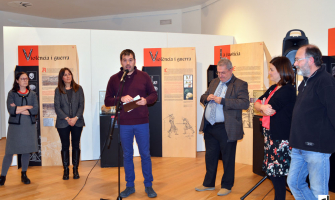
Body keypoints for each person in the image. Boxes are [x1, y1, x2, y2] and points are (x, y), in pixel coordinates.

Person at [105, 49, 158, 198]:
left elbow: (154, 95)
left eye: (130, 60)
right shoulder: (115, 79)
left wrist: (145, 100)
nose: (128, 63)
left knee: (145, 154)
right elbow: (107, 100)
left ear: (135, 61)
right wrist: (120, 98)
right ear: (121, 62)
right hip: (124, 124)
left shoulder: (144, 76)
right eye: (125, 60)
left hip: (142, 122)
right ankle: (130, 186)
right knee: (127, 155)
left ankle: (148, 185)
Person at [195, 58, 249, 196]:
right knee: (210, 156)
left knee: (228, 158)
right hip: (210, 126)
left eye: (223, 72)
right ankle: (208, 184)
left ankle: (226, 185)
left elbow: (244, 103)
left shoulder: (240, 84)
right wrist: (206, 98)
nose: (220, 75)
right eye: (218, 72)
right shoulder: (214, 82)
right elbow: (203, 96)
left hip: (226, 128)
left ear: (231, 70)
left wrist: (222, 101)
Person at [287, 45, 335, 199]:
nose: (295, 64)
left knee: (320, 191)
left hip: (317, 148)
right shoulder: (305, 82)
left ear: (311, 60)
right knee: (294, 182)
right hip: (299, 146)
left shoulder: (325, 81)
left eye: (298, 60)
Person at [254, 56, 296, 200]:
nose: (269, 73)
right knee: (273, 173)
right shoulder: (273, 88)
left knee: (277, 174)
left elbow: (270, 109)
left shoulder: (288, 90)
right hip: (271, 137)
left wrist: (264, 106)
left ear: (281, 71)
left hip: (280, 139)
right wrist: (262, 106)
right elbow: (257, 103)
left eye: (272, 70)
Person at [0, 72, 39, 186]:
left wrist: (18, 108)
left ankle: (24, 174)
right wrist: (27, 107)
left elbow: (35, 110)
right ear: (17, 80)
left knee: (26, 151)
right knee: (9, 152)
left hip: (28, 127)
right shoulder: (11, 94)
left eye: (26, 79)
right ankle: (2, 176)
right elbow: (12, 110)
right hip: (15, 128)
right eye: (22, 79)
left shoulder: (32, 94)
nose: (25, 80)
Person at [54, 68, 85, 180]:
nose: (68, 76)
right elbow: (57, 107)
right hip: (63, 123)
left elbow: (81, 105)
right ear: (61, 77)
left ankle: (75, 170)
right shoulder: (58, 90)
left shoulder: (79, 88)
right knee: (65, 146)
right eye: (65, 75)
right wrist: (68, 118)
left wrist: (75, 118)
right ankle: (66, 170)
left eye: (69, 74)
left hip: (77, 122)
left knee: (76, 145)